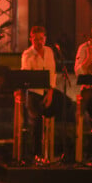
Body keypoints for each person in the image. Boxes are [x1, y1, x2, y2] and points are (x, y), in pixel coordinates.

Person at [20, 26, 61, 158]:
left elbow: (52, 72)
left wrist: (50, 93)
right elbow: (27, 74)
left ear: (45, 39)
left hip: (47, 91)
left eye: (41, 39)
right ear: (31, 39)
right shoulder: (27, 54)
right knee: (36, 120)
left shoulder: (49, 51)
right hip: (34, 92)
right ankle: (36, 154)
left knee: (66, 103)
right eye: (36, 39)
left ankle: (56, 151)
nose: (39, 42)